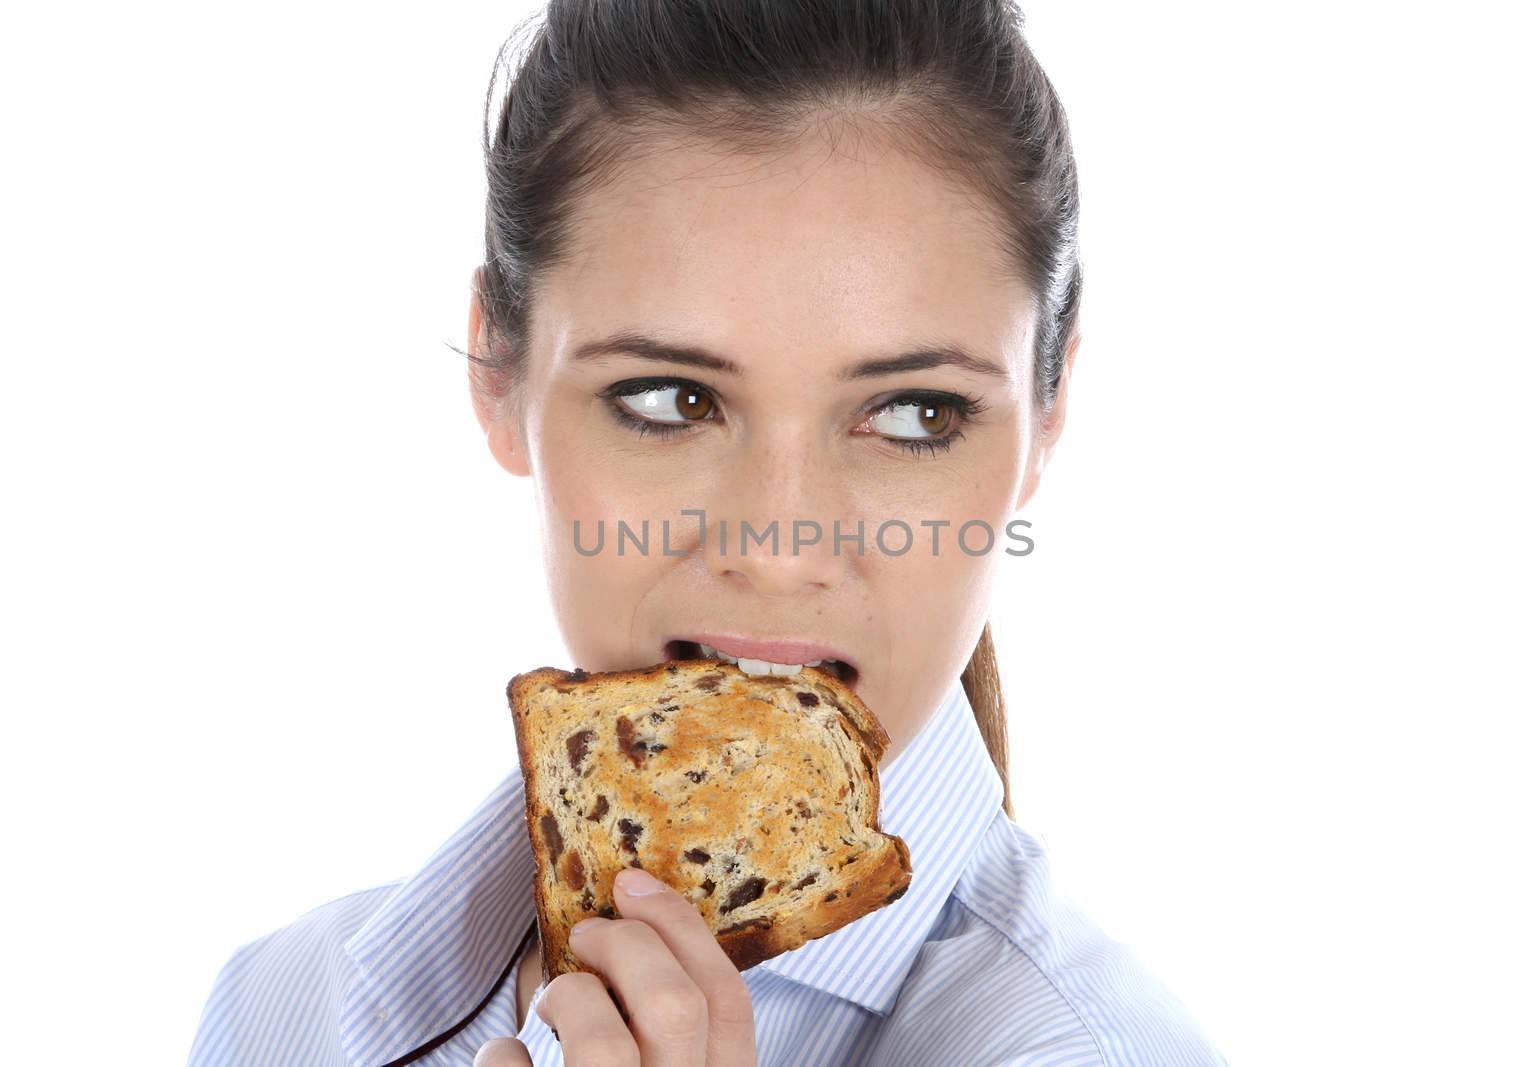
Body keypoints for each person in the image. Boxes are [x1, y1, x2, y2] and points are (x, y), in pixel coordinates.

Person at [188, 1, 1230, 1064]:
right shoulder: (281, 1004)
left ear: (1047, 416)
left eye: (915, 412)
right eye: (669, 399)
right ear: (498, 372)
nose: (777, 549)